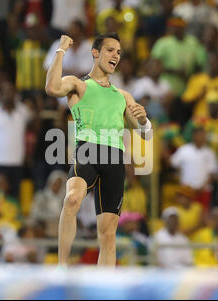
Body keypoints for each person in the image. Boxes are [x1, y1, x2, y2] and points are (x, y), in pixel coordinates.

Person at [45, 32, 151, 267]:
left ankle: (105, 289)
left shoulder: (123, 96)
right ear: (95, 53)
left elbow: (145, 133)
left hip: (114, 157)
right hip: (88, 150)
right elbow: (52, 88)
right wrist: (60, 50)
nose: (116, 55)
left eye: (119, 52)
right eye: (111, 50)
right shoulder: (78, 85)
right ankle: (61, 269)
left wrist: (145, 121)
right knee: (72, 200)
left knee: (108, 233)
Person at [171, 127, 218, 211]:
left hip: (203, 190)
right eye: (200, 135)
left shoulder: (210, 152)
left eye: (204, 135)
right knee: (186, 213)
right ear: (194, 136)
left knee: (202, 213)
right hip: (186, 191)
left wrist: (202, 187)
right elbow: (173, 163)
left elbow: (212, 173)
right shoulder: (184, 150)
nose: (203, 137)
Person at [30, 170, 67, 238]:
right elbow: (35, 212)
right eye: (55, 183)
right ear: (50, 183)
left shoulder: (64, 198)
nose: (57, 186)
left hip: (60, 224)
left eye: (59, 184)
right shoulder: (41, 196)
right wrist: (52, 217)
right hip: (44, 223)